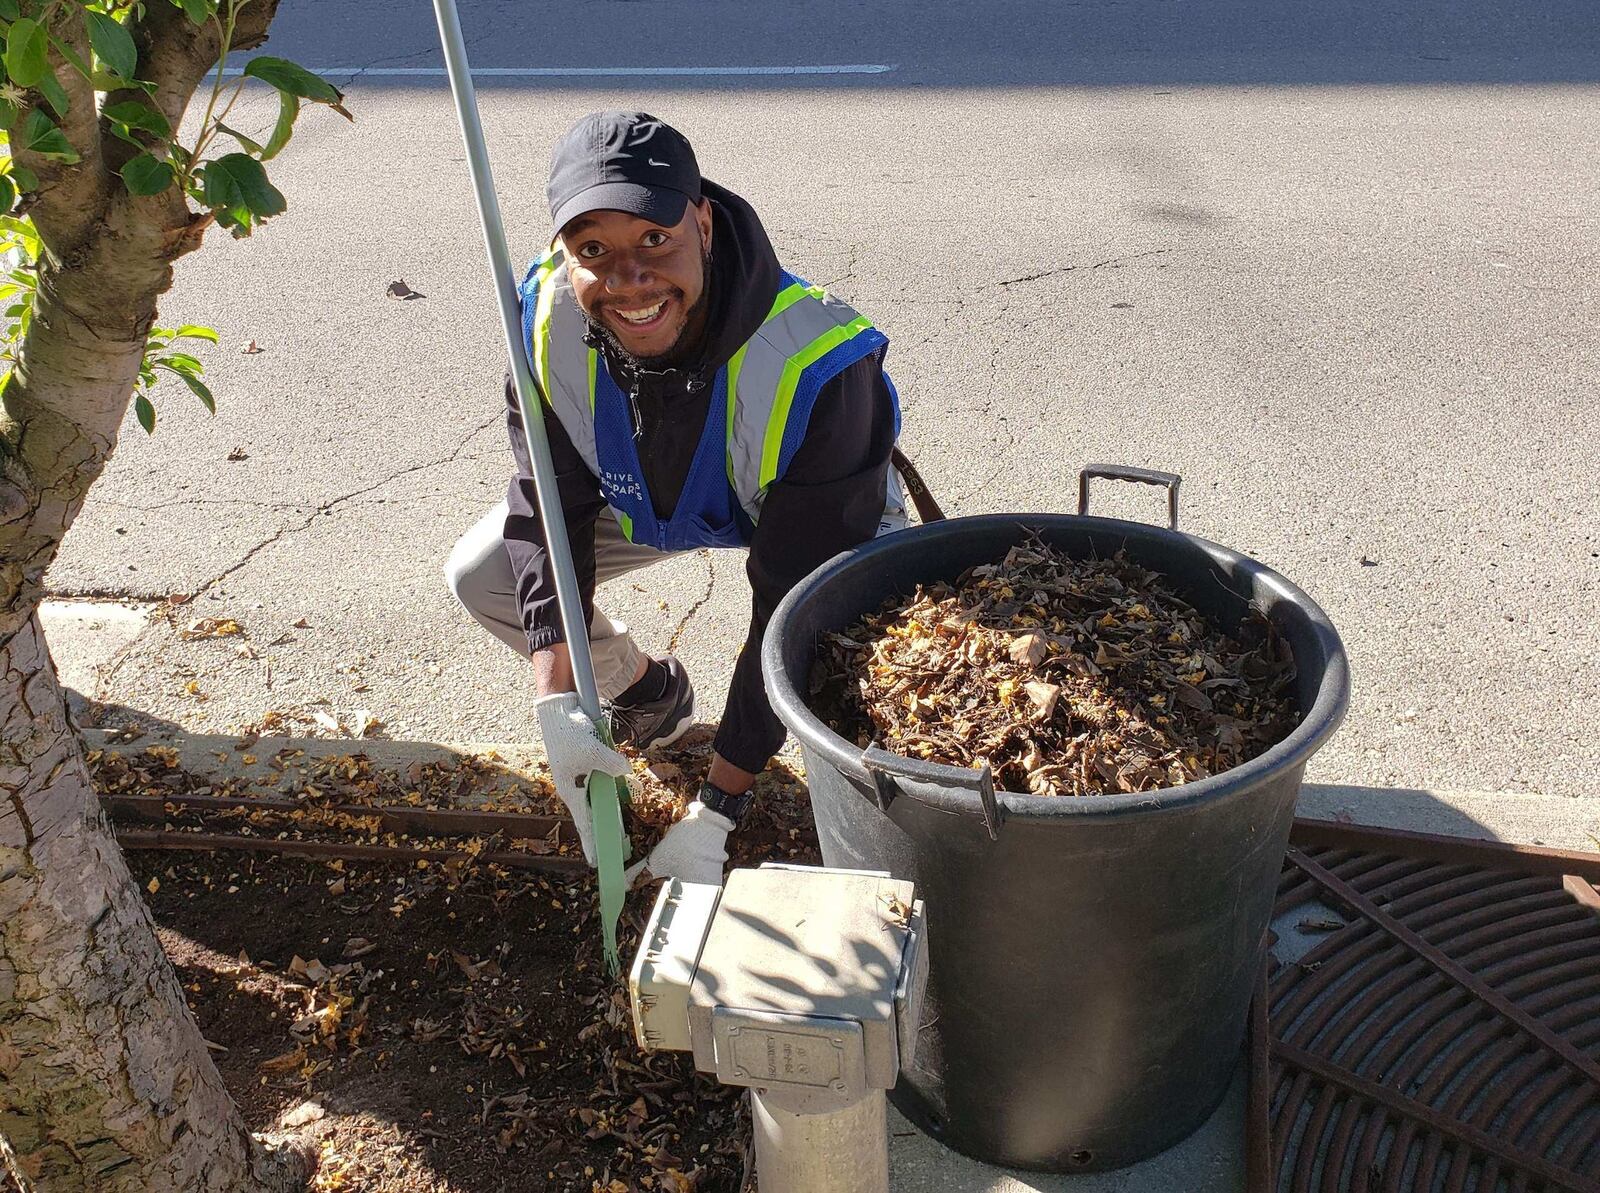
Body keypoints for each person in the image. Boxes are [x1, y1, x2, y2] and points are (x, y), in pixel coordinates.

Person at [445, 110, 903, 886]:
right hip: (648, 497)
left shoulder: (817, 367)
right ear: (566, 252)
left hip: (800, 509)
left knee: (848, 668)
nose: (628, 280)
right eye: (594, 250)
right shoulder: (546, 316)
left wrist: (717, 808)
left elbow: (785, 605)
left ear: (703, 221)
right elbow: (545, 509)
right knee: (485, 573)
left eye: (654, 238)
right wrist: (557, 700)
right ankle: (647, 695)